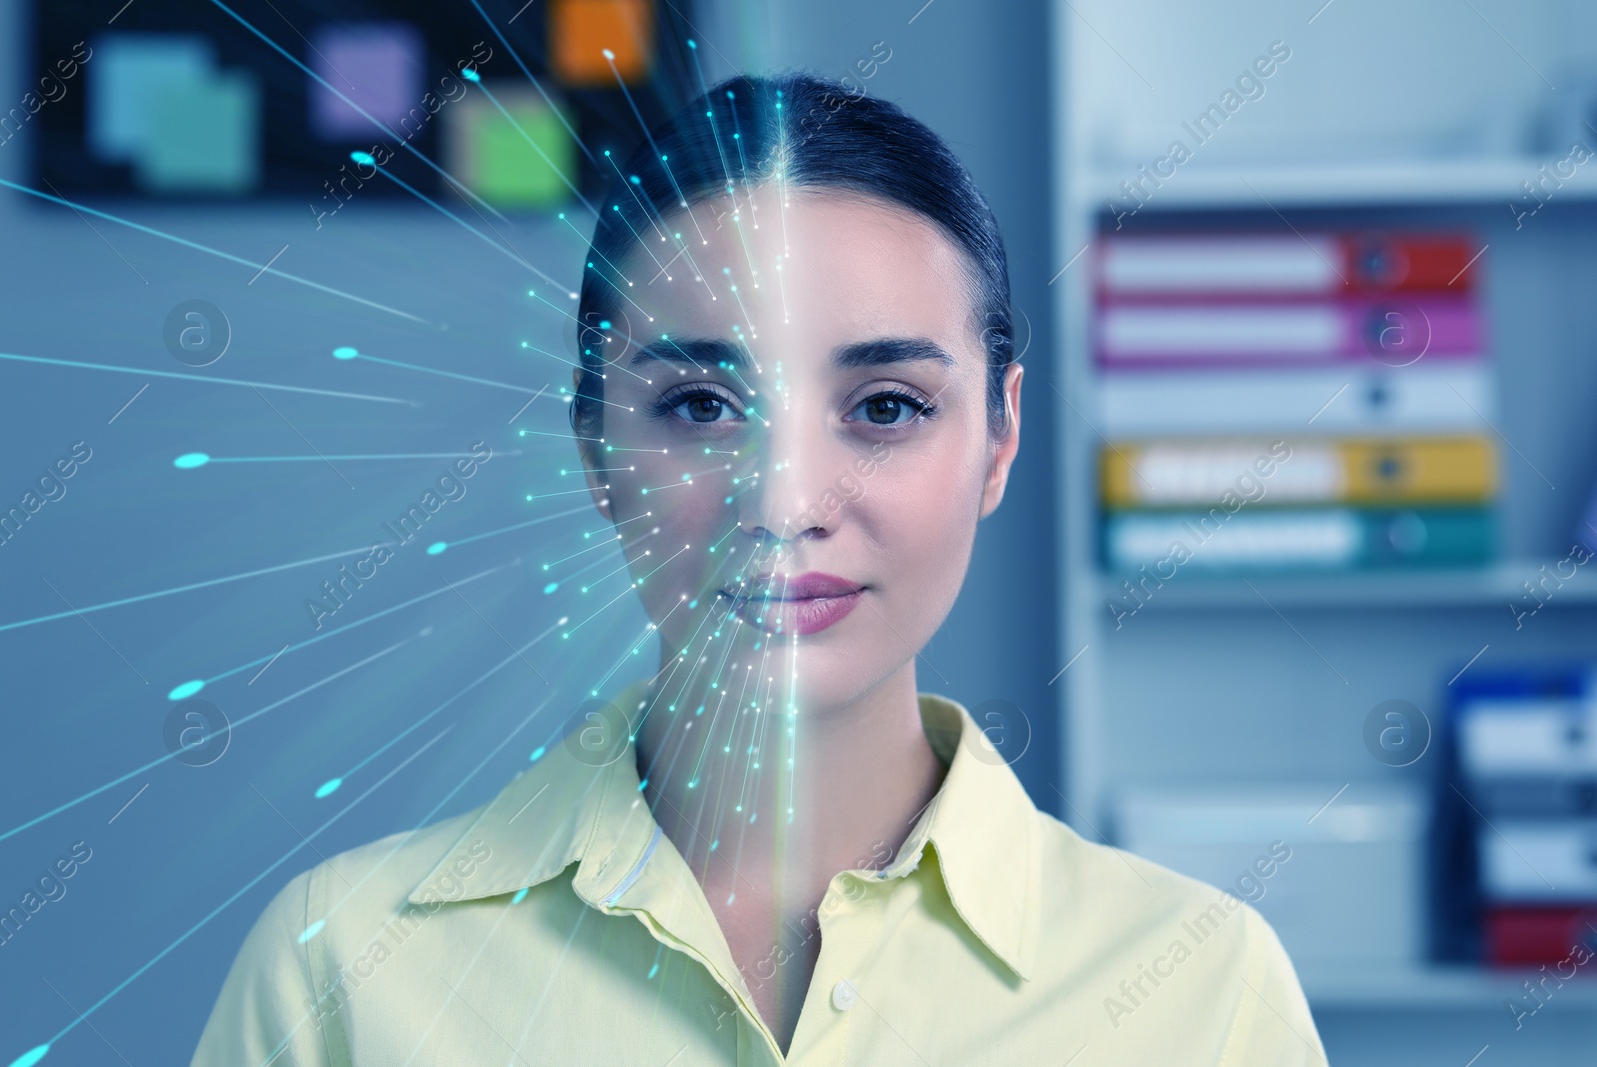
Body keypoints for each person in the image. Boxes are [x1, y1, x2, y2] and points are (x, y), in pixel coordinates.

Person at [192, 71, 1325, 1066]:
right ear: (594, 449)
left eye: (885, 406)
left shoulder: (1203, 990)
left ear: (998, 437)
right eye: (700, 406)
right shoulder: (336, 969)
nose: (785, 502)